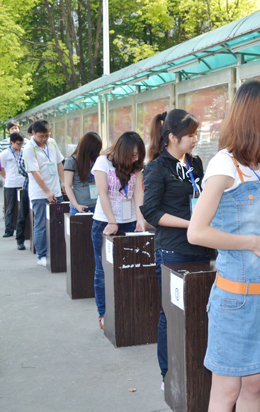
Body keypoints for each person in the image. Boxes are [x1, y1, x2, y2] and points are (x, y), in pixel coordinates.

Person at [187, 80, 260, 411]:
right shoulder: (224, 165)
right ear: (253, 118)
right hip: (236, 301)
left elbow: (257, 224)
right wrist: (254, 243)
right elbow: (197, 232)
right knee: (226, 393)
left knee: (254, 389)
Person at [141, 109, 211, 391]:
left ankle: (196, 371)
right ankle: (167, 373)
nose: (195, 139)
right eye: (190, 135)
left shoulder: (195, 163)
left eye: (196, 134)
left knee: (199, 310)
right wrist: (190, 224)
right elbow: (151, 213)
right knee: (170, 313)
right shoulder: (157, 168)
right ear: (172, 137)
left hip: (201, 247)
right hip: (173, 250)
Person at [91, 131, 145, 330]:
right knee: (103, 270)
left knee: (129, 270)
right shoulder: (103, 162)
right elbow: (102, 193)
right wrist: (112, 221)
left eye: (138, 155)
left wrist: (140, 220)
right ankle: (103, 313)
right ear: (122, 151)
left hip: (129, 223)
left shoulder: (136, 168)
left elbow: (138, 194)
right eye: (133, 155)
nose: (136, 159)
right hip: (104, 223)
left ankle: (126, 312)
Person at [23, 120, 65, 266]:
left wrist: (63, 181)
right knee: (41, 224)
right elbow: (35, 172)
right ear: (33, 133)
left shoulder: (52, 143)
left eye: (47, 135)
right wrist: (47, 191)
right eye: (41, 136)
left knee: (59, 222)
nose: (44, 139)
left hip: (56, 191)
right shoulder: (29, 148)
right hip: (40, 194)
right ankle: (41, 255)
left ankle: (58, 252)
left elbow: (59, 163)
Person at [64, 132, 103, 215]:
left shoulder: (95, 160)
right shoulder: (71, 162)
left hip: (98, 205)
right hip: (80, 207)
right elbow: (68, 186)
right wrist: (76, 205)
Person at [0, 133, 26, 237]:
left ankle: (22, 230)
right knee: (10, 207)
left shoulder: (24, 151)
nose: (20, 146)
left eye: (22, 144)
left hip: (22, 182)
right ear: (12, 142)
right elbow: (1, 168)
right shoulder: (5, 153)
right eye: (18, 144)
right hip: (10, 183)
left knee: (23, 207)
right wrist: (5, 177)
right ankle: (9, 229)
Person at [15, 126, 33, 250]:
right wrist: (34, 175)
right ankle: (20, 240)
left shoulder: (49, 146)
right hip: (28, 186)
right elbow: (21, 167)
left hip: (45, 188)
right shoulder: (25, 148)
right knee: (23, 214)